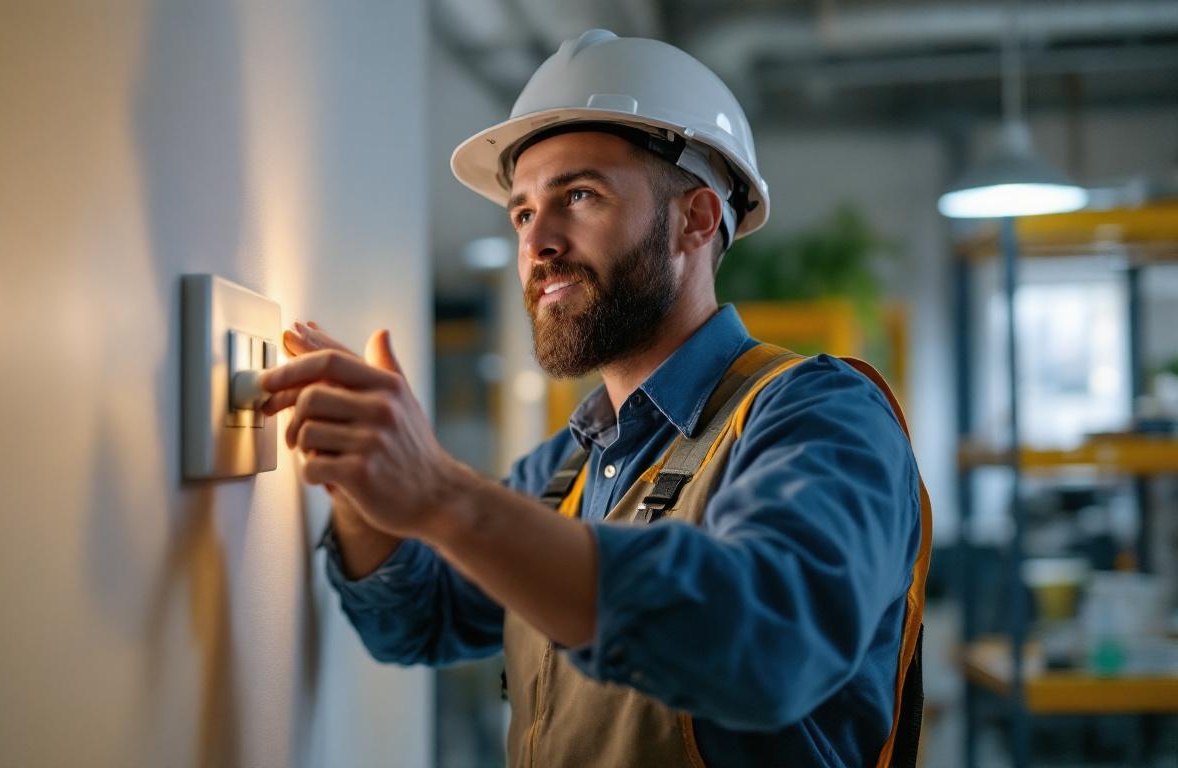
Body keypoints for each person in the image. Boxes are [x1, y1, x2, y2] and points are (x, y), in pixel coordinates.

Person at [260, 29, 931, 768]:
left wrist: (442, 495)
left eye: (578, 195)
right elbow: (418, 622)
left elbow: (767, 643)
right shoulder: (568, 469)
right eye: (521, 213)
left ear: (696, 219)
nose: (537, 240)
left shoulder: (817, 417)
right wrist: (362, 484)